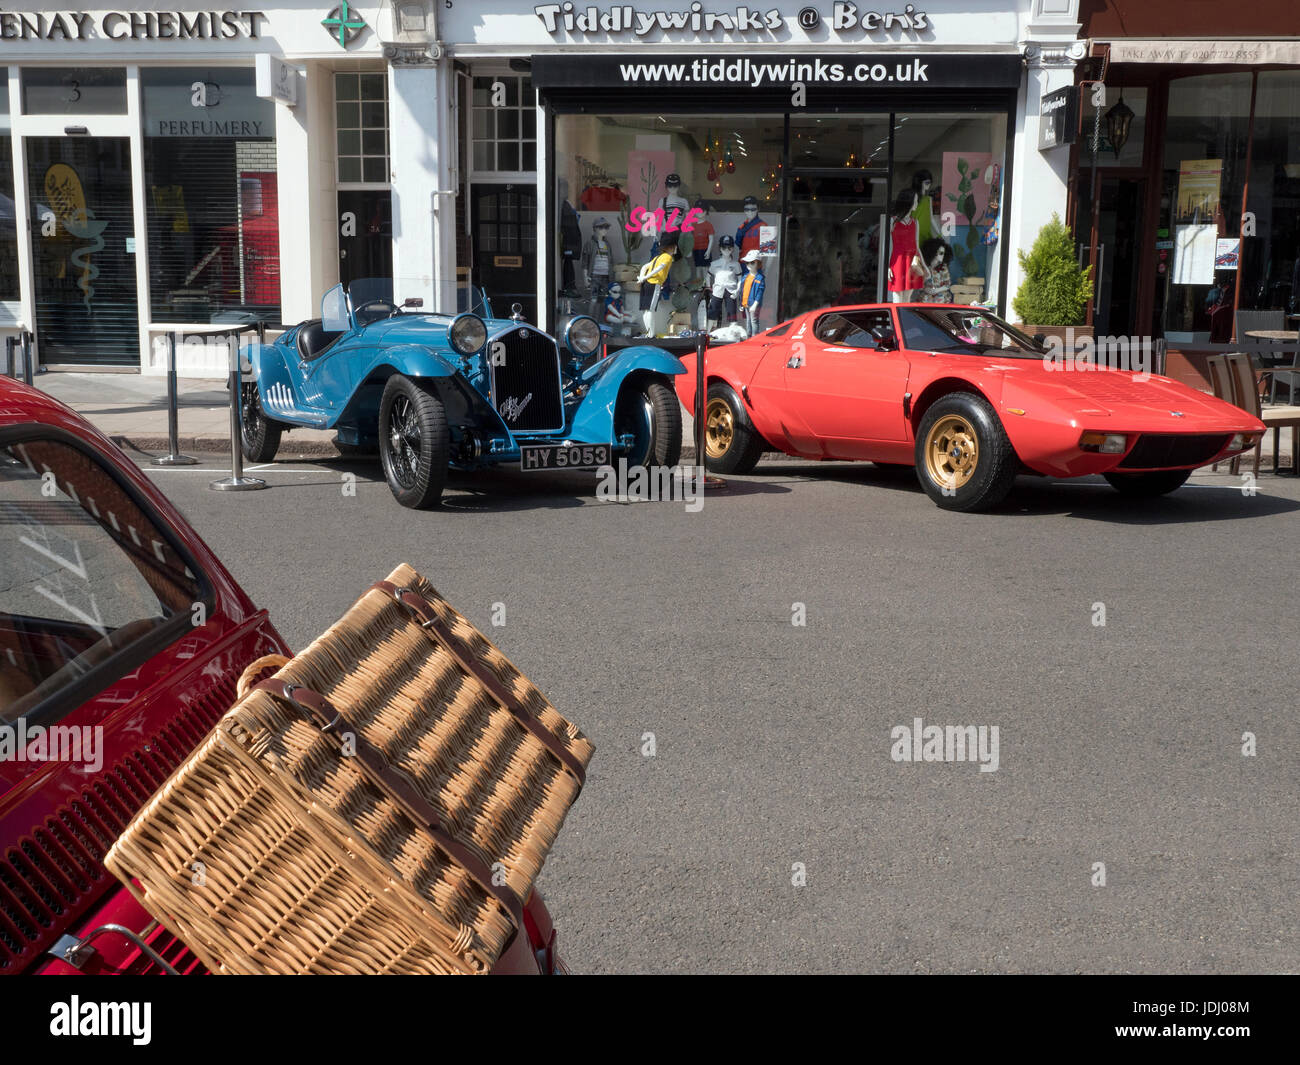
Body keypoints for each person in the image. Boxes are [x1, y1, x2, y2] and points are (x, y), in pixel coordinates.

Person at [888, 189, 929, 303]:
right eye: (915, 201)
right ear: (908, 202)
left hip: (912, 262)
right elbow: (888, 246)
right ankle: (897, 320)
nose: (917, 204)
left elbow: (916, 245)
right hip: (897, 262)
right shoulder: (893, 222)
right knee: (897, 297)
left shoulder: (915, 222)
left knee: (907, 299)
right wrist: (888, 266)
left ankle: (903, 320)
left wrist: (924, 266)